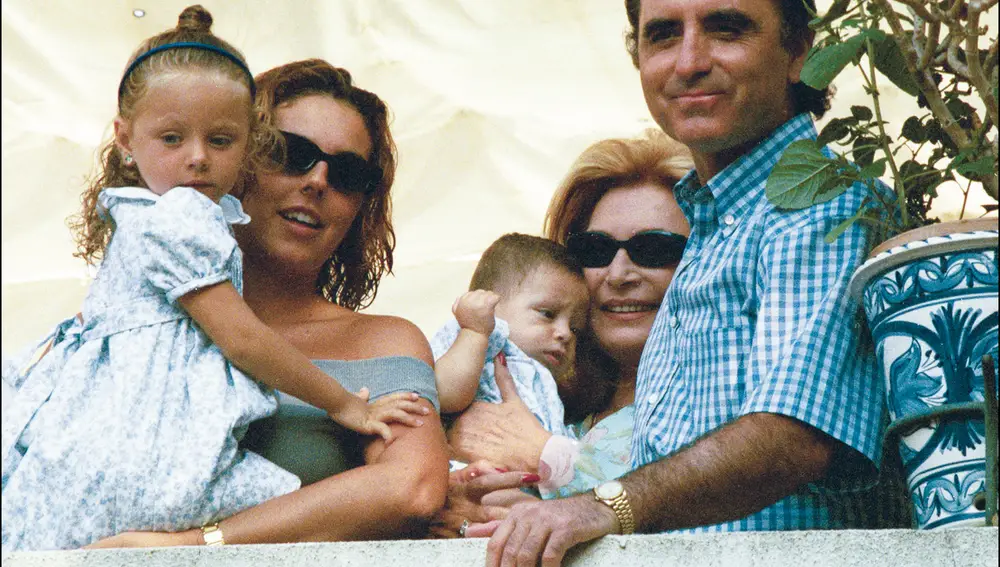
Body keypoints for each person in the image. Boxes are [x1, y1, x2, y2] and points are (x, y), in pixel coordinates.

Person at [1, 7, 429, 552]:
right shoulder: (153, 265)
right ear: (260, 156)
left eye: (347, 173)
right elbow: (242, 338)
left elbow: (411, 490)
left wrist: (194, 545)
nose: (318, 180)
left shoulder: (385, 341)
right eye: (295, 155)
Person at [481, 0, 890, 563]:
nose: (689, 61)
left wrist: (603, 505)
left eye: (726, 28)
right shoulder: (715, 225)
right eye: (664, 35)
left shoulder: (818, 203)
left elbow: (795, 435)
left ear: (798, 51)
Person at [432, 130, 692, 536]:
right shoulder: (535, 389)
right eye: (595, 250)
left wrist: (542, 455)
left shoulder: (726, 398)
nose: (619, 274)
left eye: (654, 250)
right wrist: (457, 513)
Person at [432, 233, 588, 439]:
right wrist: (475, 332)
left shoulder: (546, 384)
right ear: (489, 304)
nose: (565, 333)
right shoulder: (473, 337)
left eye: (575, 328)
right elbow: (443, 393)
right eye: (547, 314)